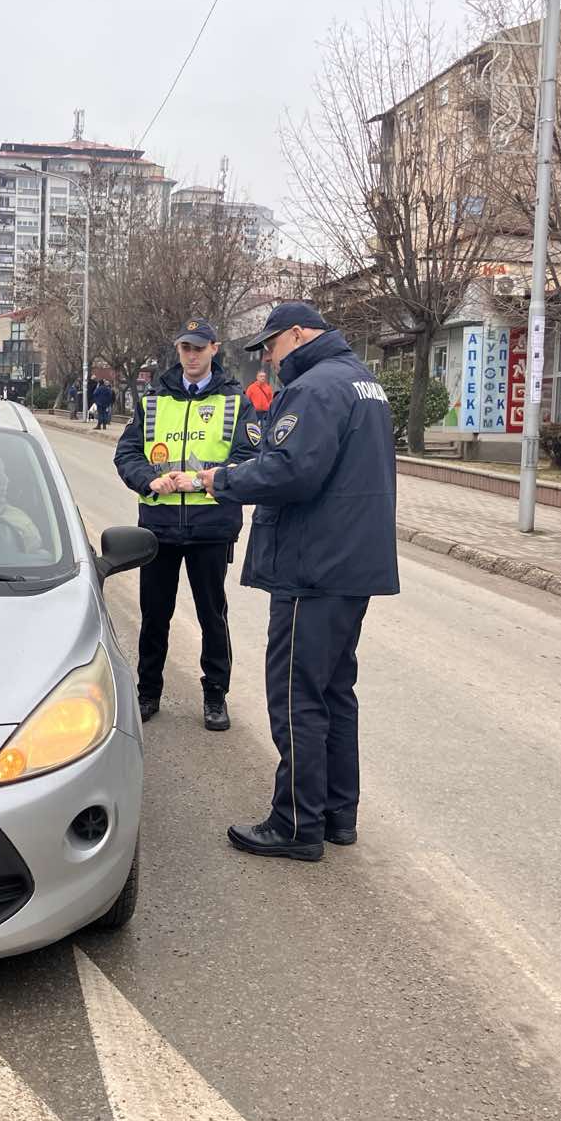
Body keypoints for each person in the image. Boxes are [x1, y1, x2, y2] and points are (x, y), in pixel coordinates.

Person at [195, 302, 398, 861]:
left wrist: (221, 479)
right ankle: (335, 814)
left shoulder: (314, 388)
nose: (268, 357)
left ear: (300, 334)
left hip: (314, 565)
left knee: (296, 696)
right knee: (334, 691)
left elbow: (290, 471)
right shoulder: (363, 382)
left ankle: (294, 823)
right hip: (351, 563)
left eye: (273, 344)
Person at [114, 318, 260, 731]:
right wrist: (149, 479)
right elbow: (127, 453)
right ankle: (148, 693)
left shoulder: (235, 400)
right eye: (185, 348)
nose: (191, 355)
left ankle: (215, 695)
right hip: (159, 527)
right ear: (178, 350)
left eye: (198, 347)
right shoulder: (154, 399)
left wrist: (200, 480)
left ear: (214, 348)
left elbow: (250, 459)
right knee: (154, 615)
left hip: (210, 527)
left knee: (211, 616)